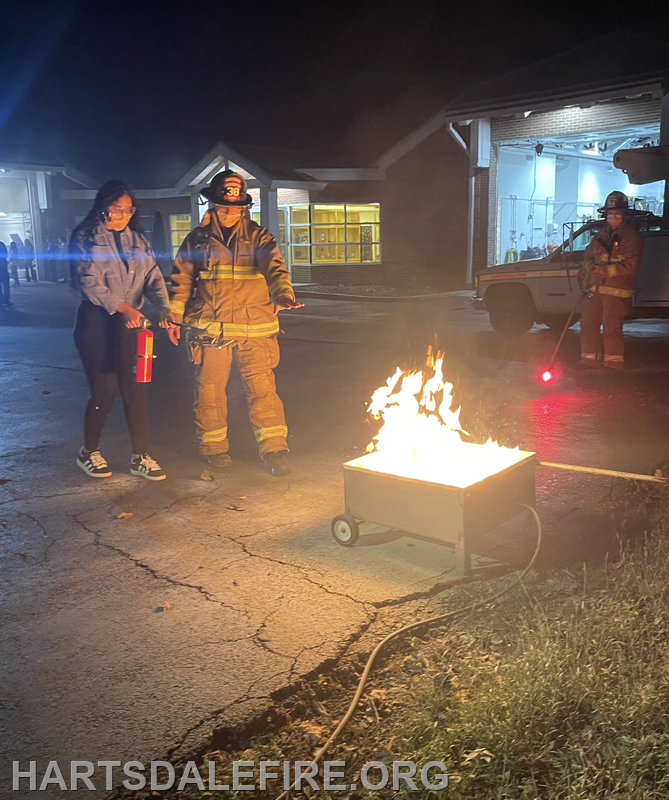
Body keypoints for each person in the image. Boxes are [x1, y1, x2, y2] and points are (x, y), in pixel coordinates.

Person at [166, 170, 303, 476]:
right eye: (224, 207)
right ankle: (214, 449)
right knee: (210, 391)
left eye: (236, 208)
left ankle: (275, 450)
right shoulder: (196, 241)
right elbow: (181, 282)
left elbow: (276, 269)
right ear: (212, 205)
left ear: (244, 207)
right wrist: (174, 318)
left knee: (263, 389)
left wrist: (283, 294)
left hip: (255, 328)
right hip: (210, 329)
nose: (230, 213)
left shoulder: (260, 237)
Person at [70, 180, 175, 480]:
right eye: (118, 209)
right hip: (97, 322)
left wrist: (164, 306)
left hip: (131, 324)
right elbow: (88, 280)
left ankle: (140, 456)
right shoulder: (86, 237)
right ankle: (88, 452)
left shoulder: (138, 240)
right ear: (103, 207)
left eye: (129, 210)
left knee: (135, 389)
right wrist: (123, 307)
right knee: (105, 388)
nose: (123, 215)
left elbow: (153, 274)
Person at [579, 191, 644, 371]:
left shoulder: (631, 237)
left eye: (617, 213)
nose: (613, 217)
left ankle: (613, 363)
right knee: (588, 322)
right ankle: (589, 359)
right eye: (610, 213)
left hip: (617, 290)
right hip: (597, 289)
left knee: (611, 327)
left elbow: (631, 265)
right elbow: (588, 256)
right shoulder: (600, 235)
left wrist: (605, 270)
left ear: (624, 214)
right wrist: (589, 266)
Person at [0, 241, 11, 307]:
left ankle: (1, 300)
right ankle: (6, 299)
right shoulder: (2, 244)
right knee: (6, 284)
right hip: (3, 267)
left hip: (3, 267)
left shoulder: (1, 244)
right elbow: (5, 255)